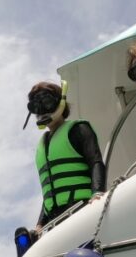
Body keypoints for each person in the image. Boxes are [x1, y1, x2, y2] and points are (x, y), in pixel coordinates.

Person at [25, 81, 106, 230]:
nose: (43, 111)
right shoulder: (42, 145)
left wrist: (97, 194)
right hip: (54, 222)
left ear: (60, 101)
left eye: (47, 102)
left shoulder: (78, 129)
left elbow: (96, 162)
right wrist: (39, 225)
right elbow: (51, 191)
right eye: (37, 107)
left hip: (82, 209)